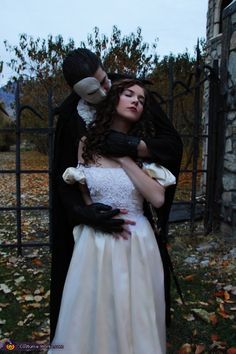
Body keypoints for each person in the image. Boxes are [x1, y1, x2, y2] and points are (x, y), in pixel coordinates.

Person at [50, 48, 183, 340]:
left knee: (135, 300)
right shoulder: (74, 119)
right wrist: (84, 211)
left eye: (104, 79)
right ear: (77, 90)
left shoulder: (127, 92)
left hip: (136, 229)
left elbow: (171, 146)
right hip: (93, 236)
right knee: (91, 301)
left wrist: (130, 147)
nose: (105, 89)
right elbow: (66, 176)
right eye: (94, 87)